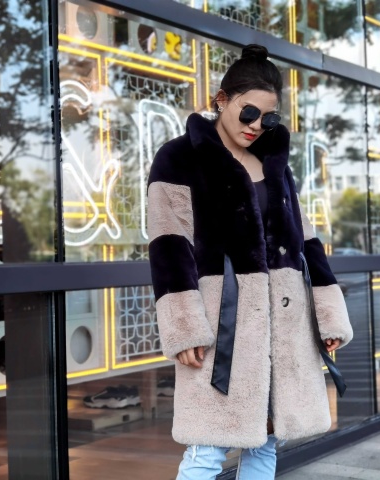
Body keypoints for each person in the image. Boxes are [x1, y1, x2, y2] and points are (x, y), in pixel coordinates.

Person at [147, 44, 353, 479]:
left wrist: (328, 316)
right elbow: (169, 244)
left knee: (265, 445)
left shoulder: (274, 164)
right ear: (221, 100)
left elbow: (306, 241)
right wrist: (184, 327)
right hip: (223, 325)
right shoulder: (179, 158)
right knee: (206, 450)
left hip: (285, 325)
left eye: (268, 118)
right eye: (248, 113)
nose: (257, 126)